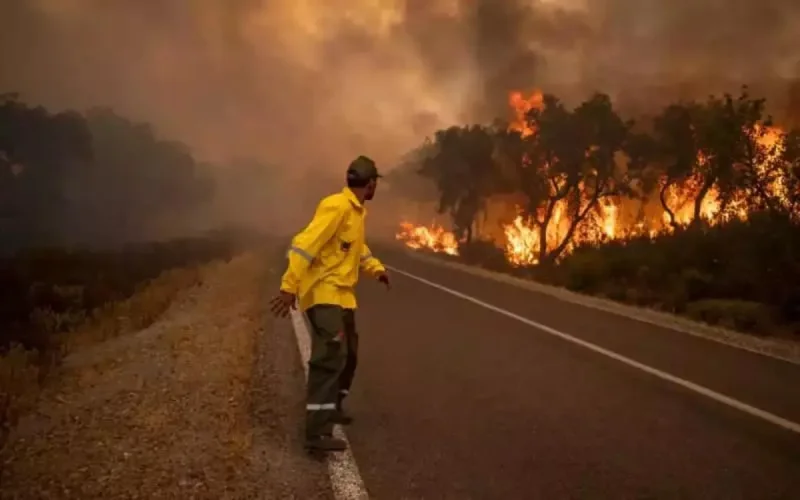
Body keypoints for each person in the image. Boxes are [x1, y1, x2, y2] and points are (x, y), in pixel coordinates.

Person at [270, 155, 390, 452]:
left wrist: (376, 269)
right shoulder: (336, 206)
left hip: (342, 294)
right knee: (330, 355)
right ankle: (317, 432)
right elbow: (304, 244)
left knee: (350, 354)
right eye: (376, 184)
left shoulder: (356, 212)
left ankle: (331, 405)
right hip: (323, 292)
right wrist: (289, 287)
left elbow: (357, 248)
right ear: (371, 183)